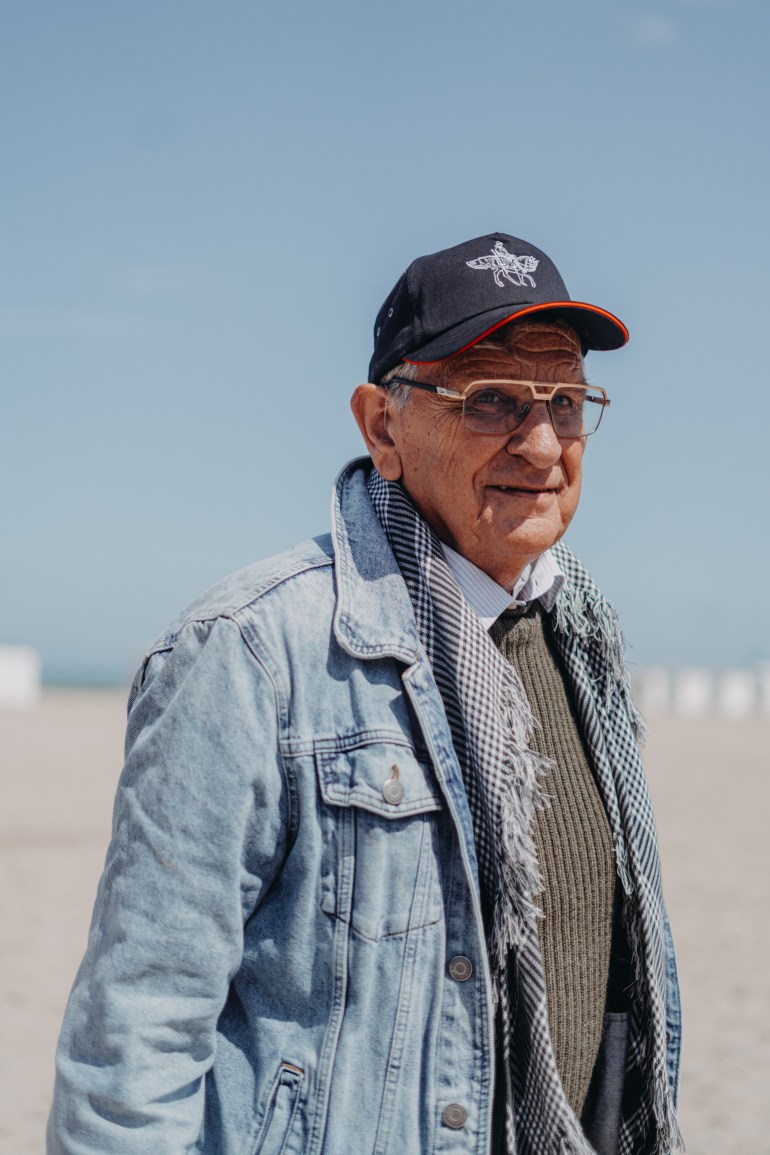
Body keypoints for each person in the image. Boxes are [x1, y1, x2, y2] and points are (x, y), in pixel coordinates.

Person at [48, 233, 682, 1155]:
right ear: (383, 427)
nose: (542, 441)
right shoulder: (252, 652)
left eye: (567, 399)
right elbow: (137, 1034)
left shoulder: (582, 642)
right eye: (491, 399)